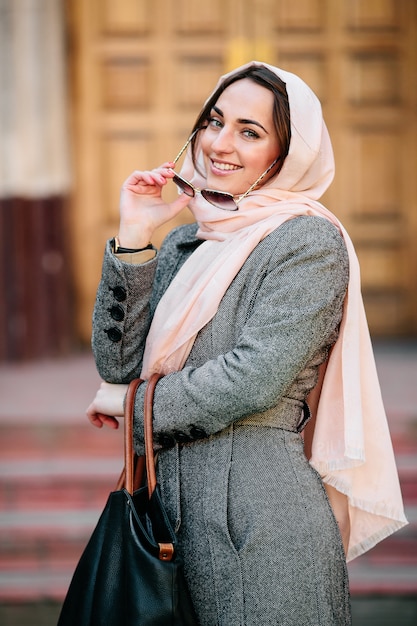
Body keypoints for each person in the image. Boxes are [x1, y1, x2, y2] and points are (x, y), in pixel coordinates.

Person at [86, 61, 407, 625]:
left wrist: (133, 403)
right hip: (163, 519)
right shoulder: (189, 240)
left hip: (257, 526)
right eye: (214, 121)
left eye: (249, 131)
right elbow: (117, 363)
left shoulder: (308, 243)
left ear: (284, 157)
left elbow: (252, 378)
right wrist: (135, 237)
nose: (219, 143)